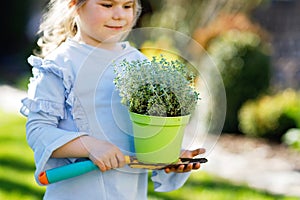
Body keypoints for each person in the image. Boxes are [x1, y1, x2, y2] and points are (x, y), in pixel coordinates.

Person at [20, 0, 206, 199]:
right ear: (75, 4)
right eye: (107, 5)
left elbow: (144, 133)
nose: (119, 15)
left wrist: (166, 155)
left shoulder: (139, 62)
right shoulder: (60, 64)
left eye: (127, 6)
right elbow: (39, 131)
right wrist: (90, 146)